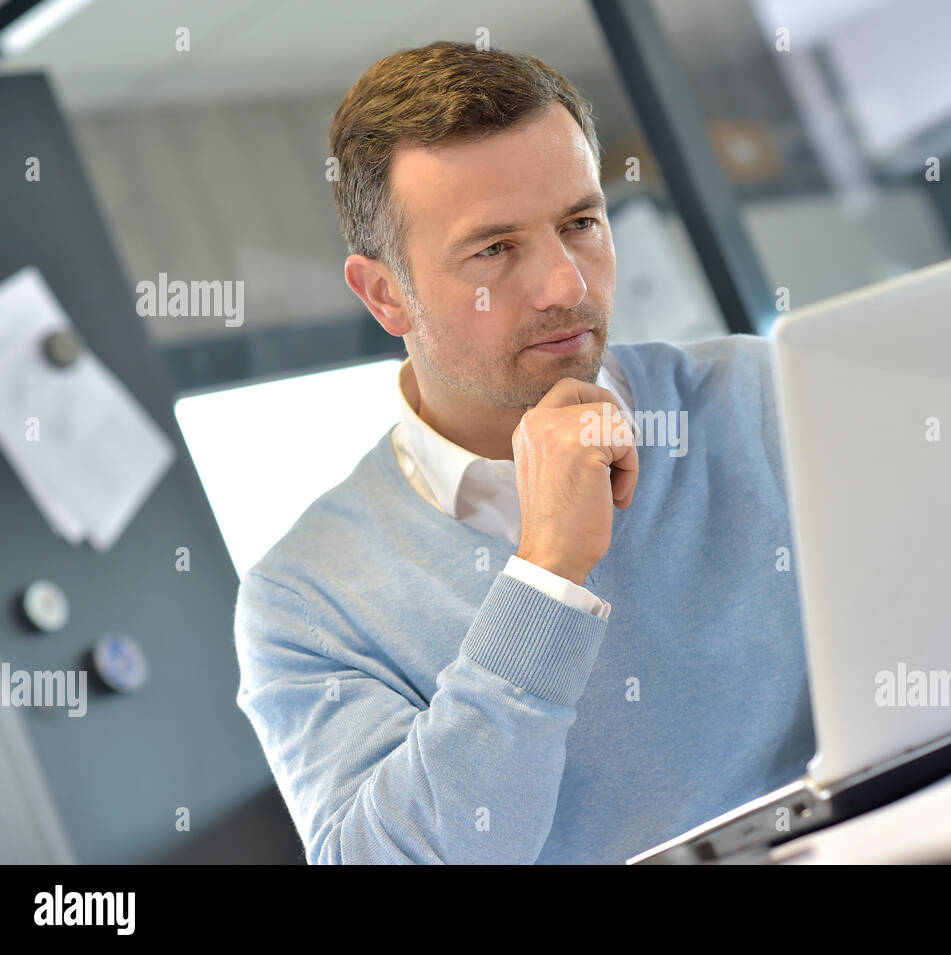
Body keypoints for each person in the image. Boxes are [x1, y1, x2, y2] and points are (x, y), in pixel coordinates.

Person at [233, 40, 813, 864]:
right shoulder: (305, 600)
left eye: (580, 223)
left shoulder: (757, 397)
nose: (565, 285)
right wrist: (546, 576)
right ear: (384, 293)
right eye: (495, 250)